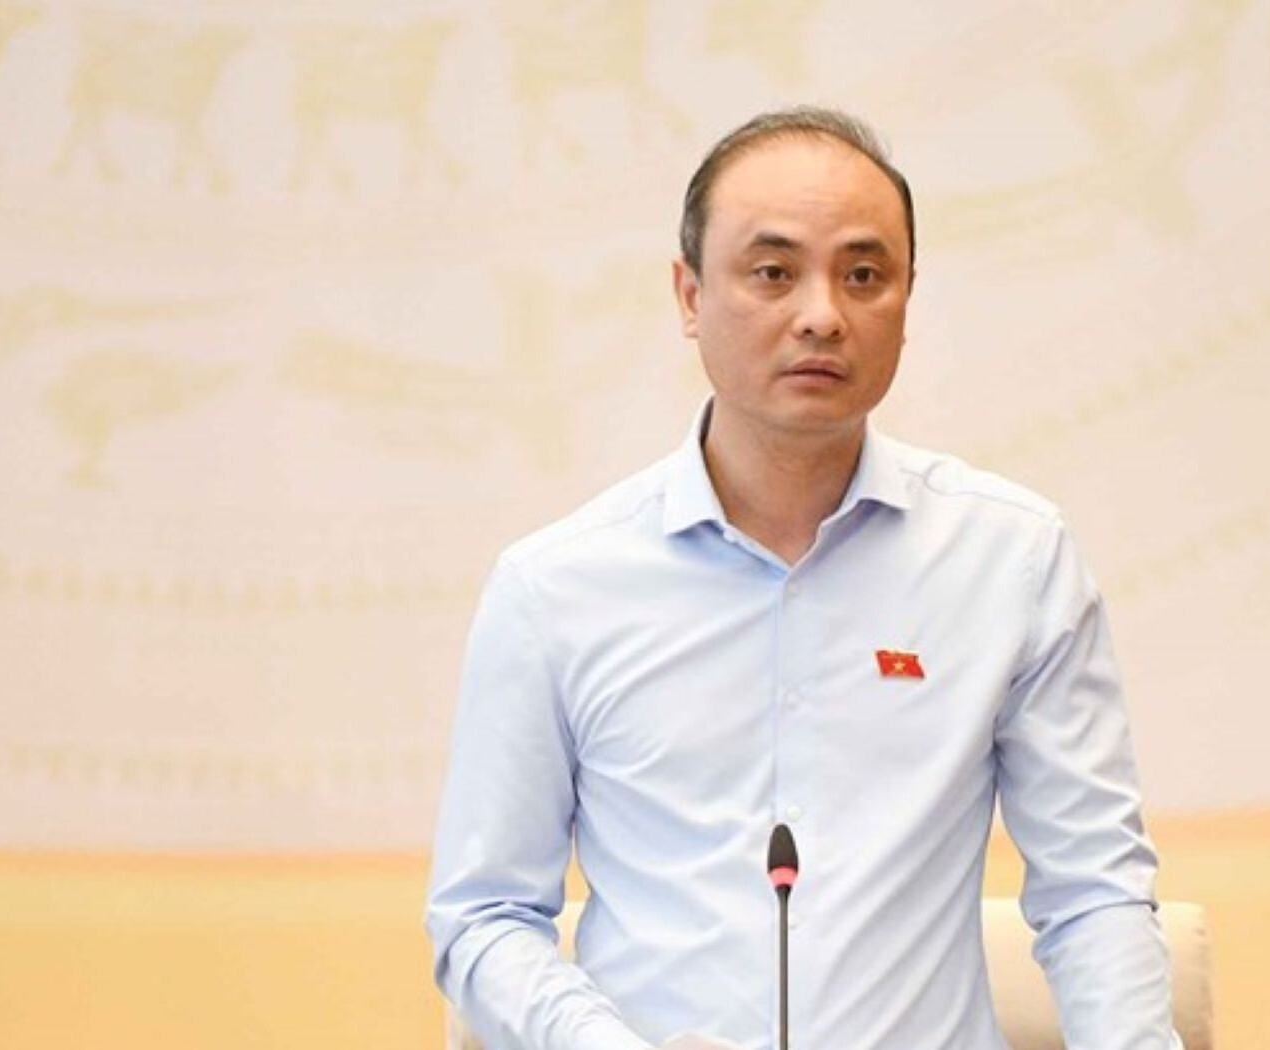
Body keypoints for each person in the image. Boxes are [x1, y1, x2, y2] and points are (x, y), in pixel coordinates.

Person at [426, 107, 1180, 1050]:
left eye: (863, 275)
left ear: (906, 301)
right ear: (689, 295)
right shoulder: (556, 588)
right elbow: (484, 916)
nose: (822, 314)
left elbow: (1092, 891)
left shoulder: (1011, 561)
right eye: (773, 272)